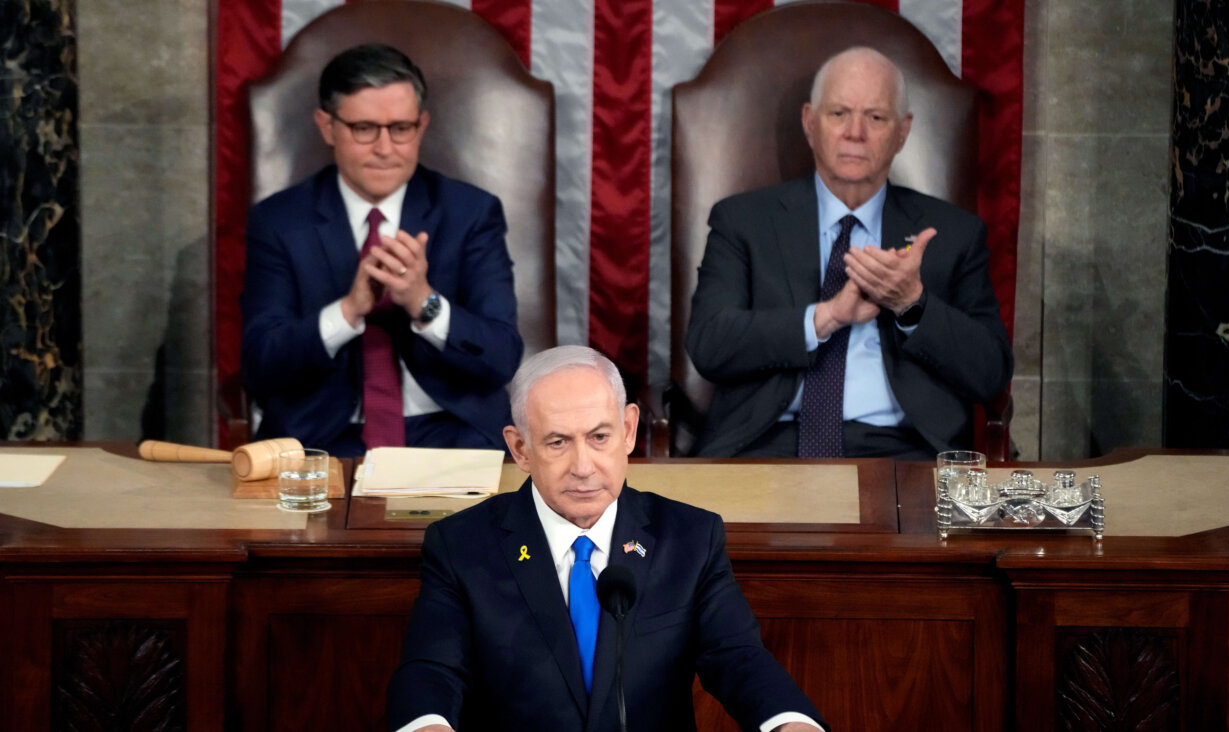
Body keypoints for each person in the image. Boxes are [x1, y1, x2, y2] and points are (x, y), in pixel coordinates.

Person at [387, 345, 827, 732]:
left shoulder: (690, 537)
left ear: (629, 430)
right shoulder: (461, 545)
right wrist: (428, 725)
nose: (584, 466)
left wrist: (789, 722)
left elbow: (736, 657)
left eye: (599, 437)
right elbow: (432, 669)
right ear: (520, 448)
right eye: (558, 442)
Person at [685, 46, 1012, 459]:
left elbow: (990, 374)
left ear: (902, 131)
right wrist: (824, 318)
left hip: (902, 455)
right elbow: (710, 345)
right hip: (766, 445)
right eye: (839, 114)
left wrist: (912, 305)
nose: (855, 132)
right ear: (809, 122)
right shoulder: (743, 221)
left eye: (875, 117)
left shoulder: (953, 234)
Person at [241, 44, 522, 457]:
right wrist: (348, 310)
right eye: (364, 128)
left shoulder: (471, 213)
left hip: (450, 433)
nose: (385, 148)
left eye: (401, 128)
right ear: (327, 127)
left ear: (422, 126)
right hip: (321, 439)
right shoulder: (280, 221)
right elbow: (261, 366)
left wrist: (423, 302)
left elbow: (500, 357)